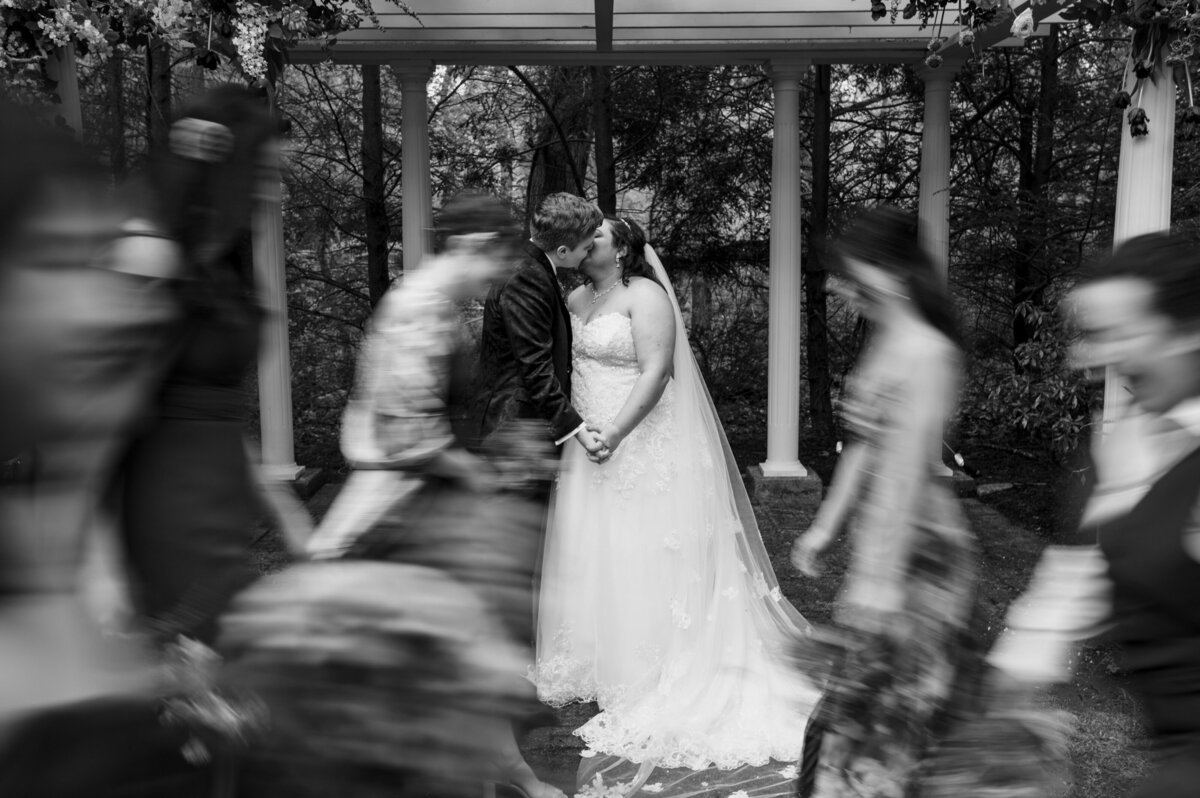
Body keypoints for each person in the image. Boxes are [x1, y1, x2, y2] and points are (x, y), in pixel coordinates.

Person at [534, 215, 821, 790]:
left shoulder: (647, 297)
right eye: (586, 237)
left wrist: (614, 432)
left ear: (623, 251)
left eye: (600, 237)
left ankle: (653, 665)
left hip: (639, 441)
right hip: (588, 444)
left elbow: (658, 371)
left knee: (645, 547)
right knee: (598, 547)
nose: (589, 243)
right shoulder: (578, 297)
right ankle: (599, 656)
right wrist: (582, 433)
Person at [302, 192, 566, 798]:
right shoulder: (419, 306)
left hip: (423, 498)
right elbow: (404, 434)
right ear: (472, 247)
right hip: (392, 511)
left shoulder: (439, 304)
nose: (498, 281)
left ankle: (510, 776)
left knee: (463, 649)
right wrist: (484, 473)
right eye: (497, 265)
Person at [988, 232, 1200, 798]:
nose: (1088, 356)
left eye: (1115, 333)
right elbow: (1079, 572)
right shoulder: (1128, 438)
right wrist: (1006, 682)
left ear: (1188, 331)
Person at [788, 207, 979, 797]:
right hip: (894, 547)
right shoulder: (889, 341)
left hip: (919, 560)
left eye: (845, 272)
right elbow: (864, 447)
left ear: (888, 272)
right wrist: (824, 527)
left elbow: (904, 472)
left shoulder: (926, 352)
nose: (832, 285)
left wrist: (878, 578)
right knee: (852, 729)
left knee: (881, 736)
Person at [117, 84, 287, 650]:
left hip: (218, 509)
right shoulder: (148, 255)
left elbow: (220, 413)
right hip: (169, 508)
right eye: (266, 171)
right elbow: (102, 417)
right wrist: (96, 570)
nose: (279, 190)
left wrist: (287, 516)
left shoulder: (222, 266)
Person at [476, 192, 608, 481]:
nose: (588, 253)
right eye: (586, 247)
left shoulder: (531, 268)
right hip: (515, 430)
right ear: (562, 251)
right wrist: (579, 431)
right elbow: (535, 365)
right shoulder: (527, 278)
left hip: (524, 429)